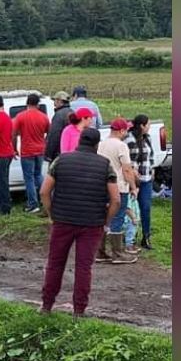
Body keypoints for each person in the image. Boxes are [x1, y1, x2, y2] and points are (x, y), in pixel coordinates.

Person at [39, 128, 120, 317]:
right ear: (97, 145)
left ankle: (46, 306)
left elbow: (44, 191)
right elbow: (116, 200)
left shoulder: (61, 160)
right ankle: (79, 311)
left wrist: (52, 214)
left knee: (55, 263)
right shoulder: (105, 165)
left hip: (62, 221)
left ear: (79, 141)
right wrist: (105, 222)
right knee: (83, 267)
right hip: (92, 224)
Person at [97, 117, 138, 263]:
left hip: (103, 186)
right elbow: (126, 170)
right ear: (121, 130)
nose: (127, 132)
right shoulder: (121, 146)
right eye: (126, 129)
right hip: (119, 186)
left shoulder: (101, 144)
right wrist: (133, 187)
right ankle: (117, 253)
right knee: (118, 217)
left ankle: (100, 251)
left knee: (103, 217)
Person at [14, 93, 50, 213]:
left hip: (27, 151)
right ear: (38, 104)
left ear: (27, 103)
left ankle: (33, 204)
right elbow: (49, 132)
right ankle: (45, 198)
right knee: (38, 175)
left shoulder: (21, 116)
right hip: (40, 150)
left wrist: (14, 148)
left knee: (28, 178)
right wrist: (43, 143)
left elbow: (13, 135)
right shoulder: (44, 117)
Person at [125, 114, 155, 250]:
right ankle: (129, 237)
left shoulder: (147, 138)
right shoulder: (130, 139)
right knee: (131, 208)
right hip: (134, 179)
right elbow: (129, 160)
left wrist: (153, 168)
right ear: (142, 125)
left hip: (147, 178)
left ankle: (146, 236)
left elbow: (151, 155)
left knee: (146, 208)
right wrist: (133, 177)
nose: (149, 127)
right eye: (148, 124)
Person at [44, 90, 72, 162]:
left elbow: (54, 135)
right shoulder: (72, 112)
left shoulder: (59, 115)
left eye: (55, 100)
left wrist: (48, 154)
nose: (54, 103)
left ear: (60, 101)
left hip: (58, 153)